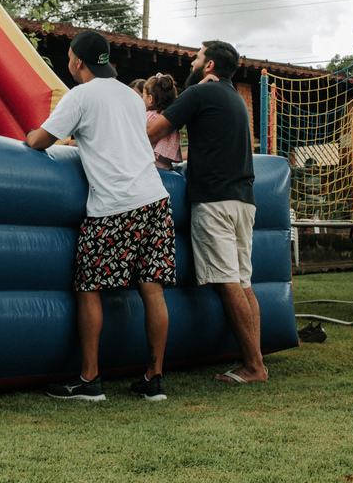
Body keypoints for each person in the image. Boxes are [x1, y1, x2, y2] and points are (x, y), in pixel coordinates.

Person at [26, 30, 175, 402]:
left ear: (78, 61)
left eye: (71, 60)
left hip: (114, 204)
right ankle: (153, 379)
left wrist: (29, 135)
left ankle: (90, 380)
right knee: (152, 289)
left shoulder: (80, 95)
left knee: (89, 287)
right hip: (155, 198)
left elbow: (40, 141)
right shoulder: (130, 94)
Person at [146, 40, 267, 384]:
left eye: (197, 57)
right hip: (244, 199)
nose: (192, 61)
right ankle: (254, 361)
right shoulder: (235, 99)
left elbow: (154, 130)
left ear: (210, 65)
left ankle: (255, 366)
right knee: (243, 282)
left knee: (226, 282)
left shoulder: (199, 93)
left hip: (214, 199)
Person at [143, 74, 182, 170]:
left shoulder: (147, 116)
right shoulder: (169, 119)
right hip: (166, 166)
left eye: (143, 96)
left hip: (150, 165)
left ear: (150, 99)